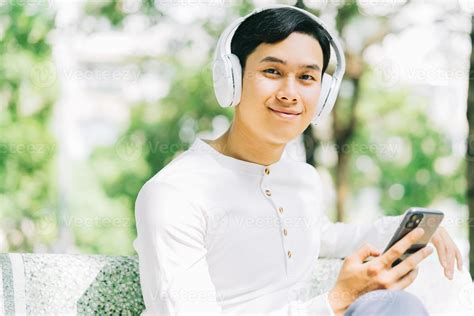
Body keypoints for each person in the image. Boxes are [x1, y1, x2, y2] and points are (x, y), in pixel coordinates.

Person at [133, 5, 463, 315]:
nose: (290, 93)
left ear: (324, 94)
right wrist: (336, 301)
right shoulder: (174, 194)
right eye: (272, 71)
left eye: (307, 77)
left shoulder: (301, 179)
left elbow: (321, 236)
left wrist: (407, 229)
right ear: (230, 78)